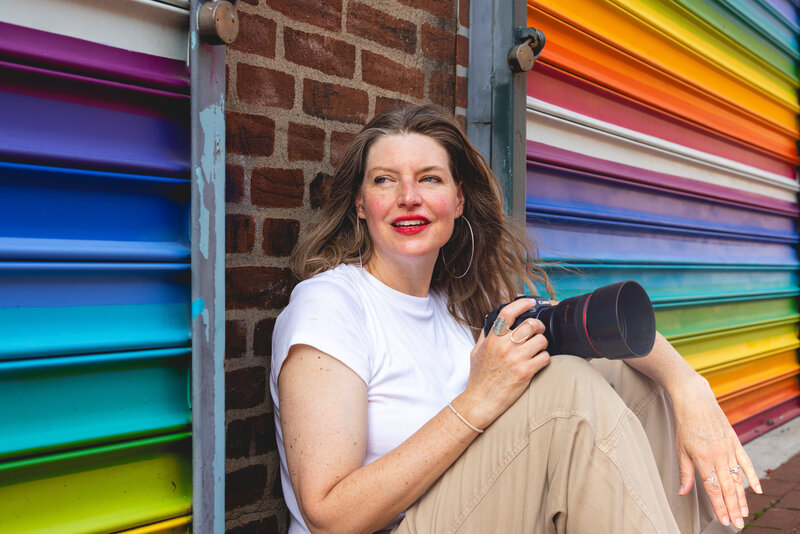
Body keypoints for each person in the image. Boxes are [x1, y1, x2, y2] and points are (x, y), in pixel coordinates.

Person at [269, 104, 761, 533]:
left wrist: (691, 389)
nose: (408, 197)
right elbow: (329, 517)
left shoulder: (458, 306)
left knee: (625, 374)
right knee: (563, 387)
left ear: (458, 201)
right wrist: (476, 402)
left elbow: (599, 327)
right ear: (360, 203)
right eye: (384, 180)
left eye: (429, 178)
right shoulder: (331, 304)